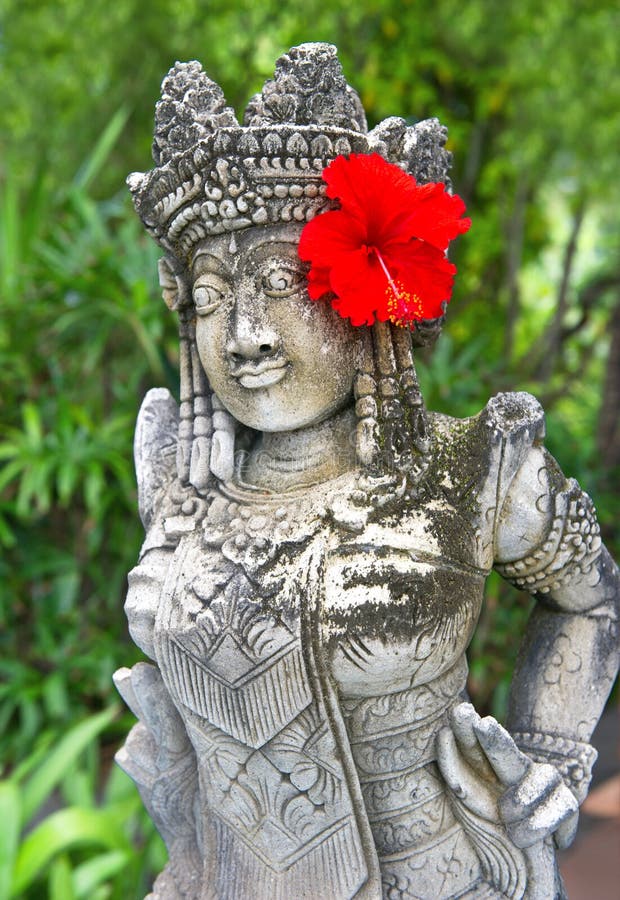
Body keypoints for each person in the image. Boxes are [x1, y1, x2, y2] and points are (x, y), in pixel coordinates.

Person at [114, 43, 619, 900]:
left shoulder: (473, 468)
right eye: (209, 296)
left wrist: (550, 755)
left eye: (282, 283)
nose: (245, 335)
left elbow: (591, 595)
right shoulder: (177, 474)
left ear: (371, 299)